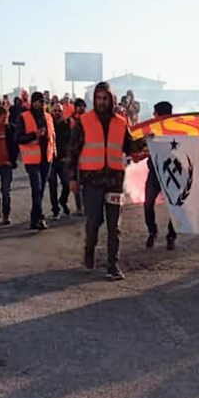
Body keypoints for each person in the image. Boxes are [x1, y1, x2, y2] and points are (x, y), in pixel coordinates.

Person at [68, 82, 144, 280]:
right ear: (95, 99)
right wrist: (72, 179)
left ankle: (113, 265)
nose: (101, 102)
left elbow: (131, 147)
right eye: (99, 98)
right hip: (91, 181)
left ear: (111, 100)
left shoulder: (121, 122)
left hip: (114, 182)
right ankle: (89, 249)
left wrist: (148, 141)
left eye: (105, 98)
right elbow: (72, 153)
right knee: (93, 222)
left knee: (114, 226)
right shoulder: (83, 122)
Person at [17, 91, 56, 230]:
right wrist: (34, 135)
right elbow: (19, 138)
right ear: (33, 102)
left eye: (44, 102)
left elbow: (52, 136)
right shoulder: (24, 117)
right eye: (40, 102)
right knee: (36, 188)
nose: (42, 104)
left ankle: (34, 218)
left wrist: (54, 151)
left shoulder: (48, 117)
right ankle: (40, 218)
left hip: (47, 158)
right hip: (32, 159)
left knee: (40, 190)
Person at [144, 101, 177, 250]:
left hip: (172, 173)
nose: (153, 115)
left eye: (155, 113)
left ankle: (171, 235)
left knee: (175, 206)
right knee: (148, 203)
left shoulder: (178, 132)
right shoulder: (152, 130)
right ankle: (152, 231)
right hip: (155, 173)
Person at [48, 103, 72, 220]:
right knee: (52, 186)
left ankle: (62, 201)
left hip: (63, 159)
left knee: (66, 184)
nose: (57, 113)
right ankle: (55, 210)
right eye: (55, 110)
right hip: (51, 159)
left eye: (59, 111)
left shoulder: (66, 124)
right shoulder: (49, 124)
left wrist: (68, 156)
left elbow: (71, 141)